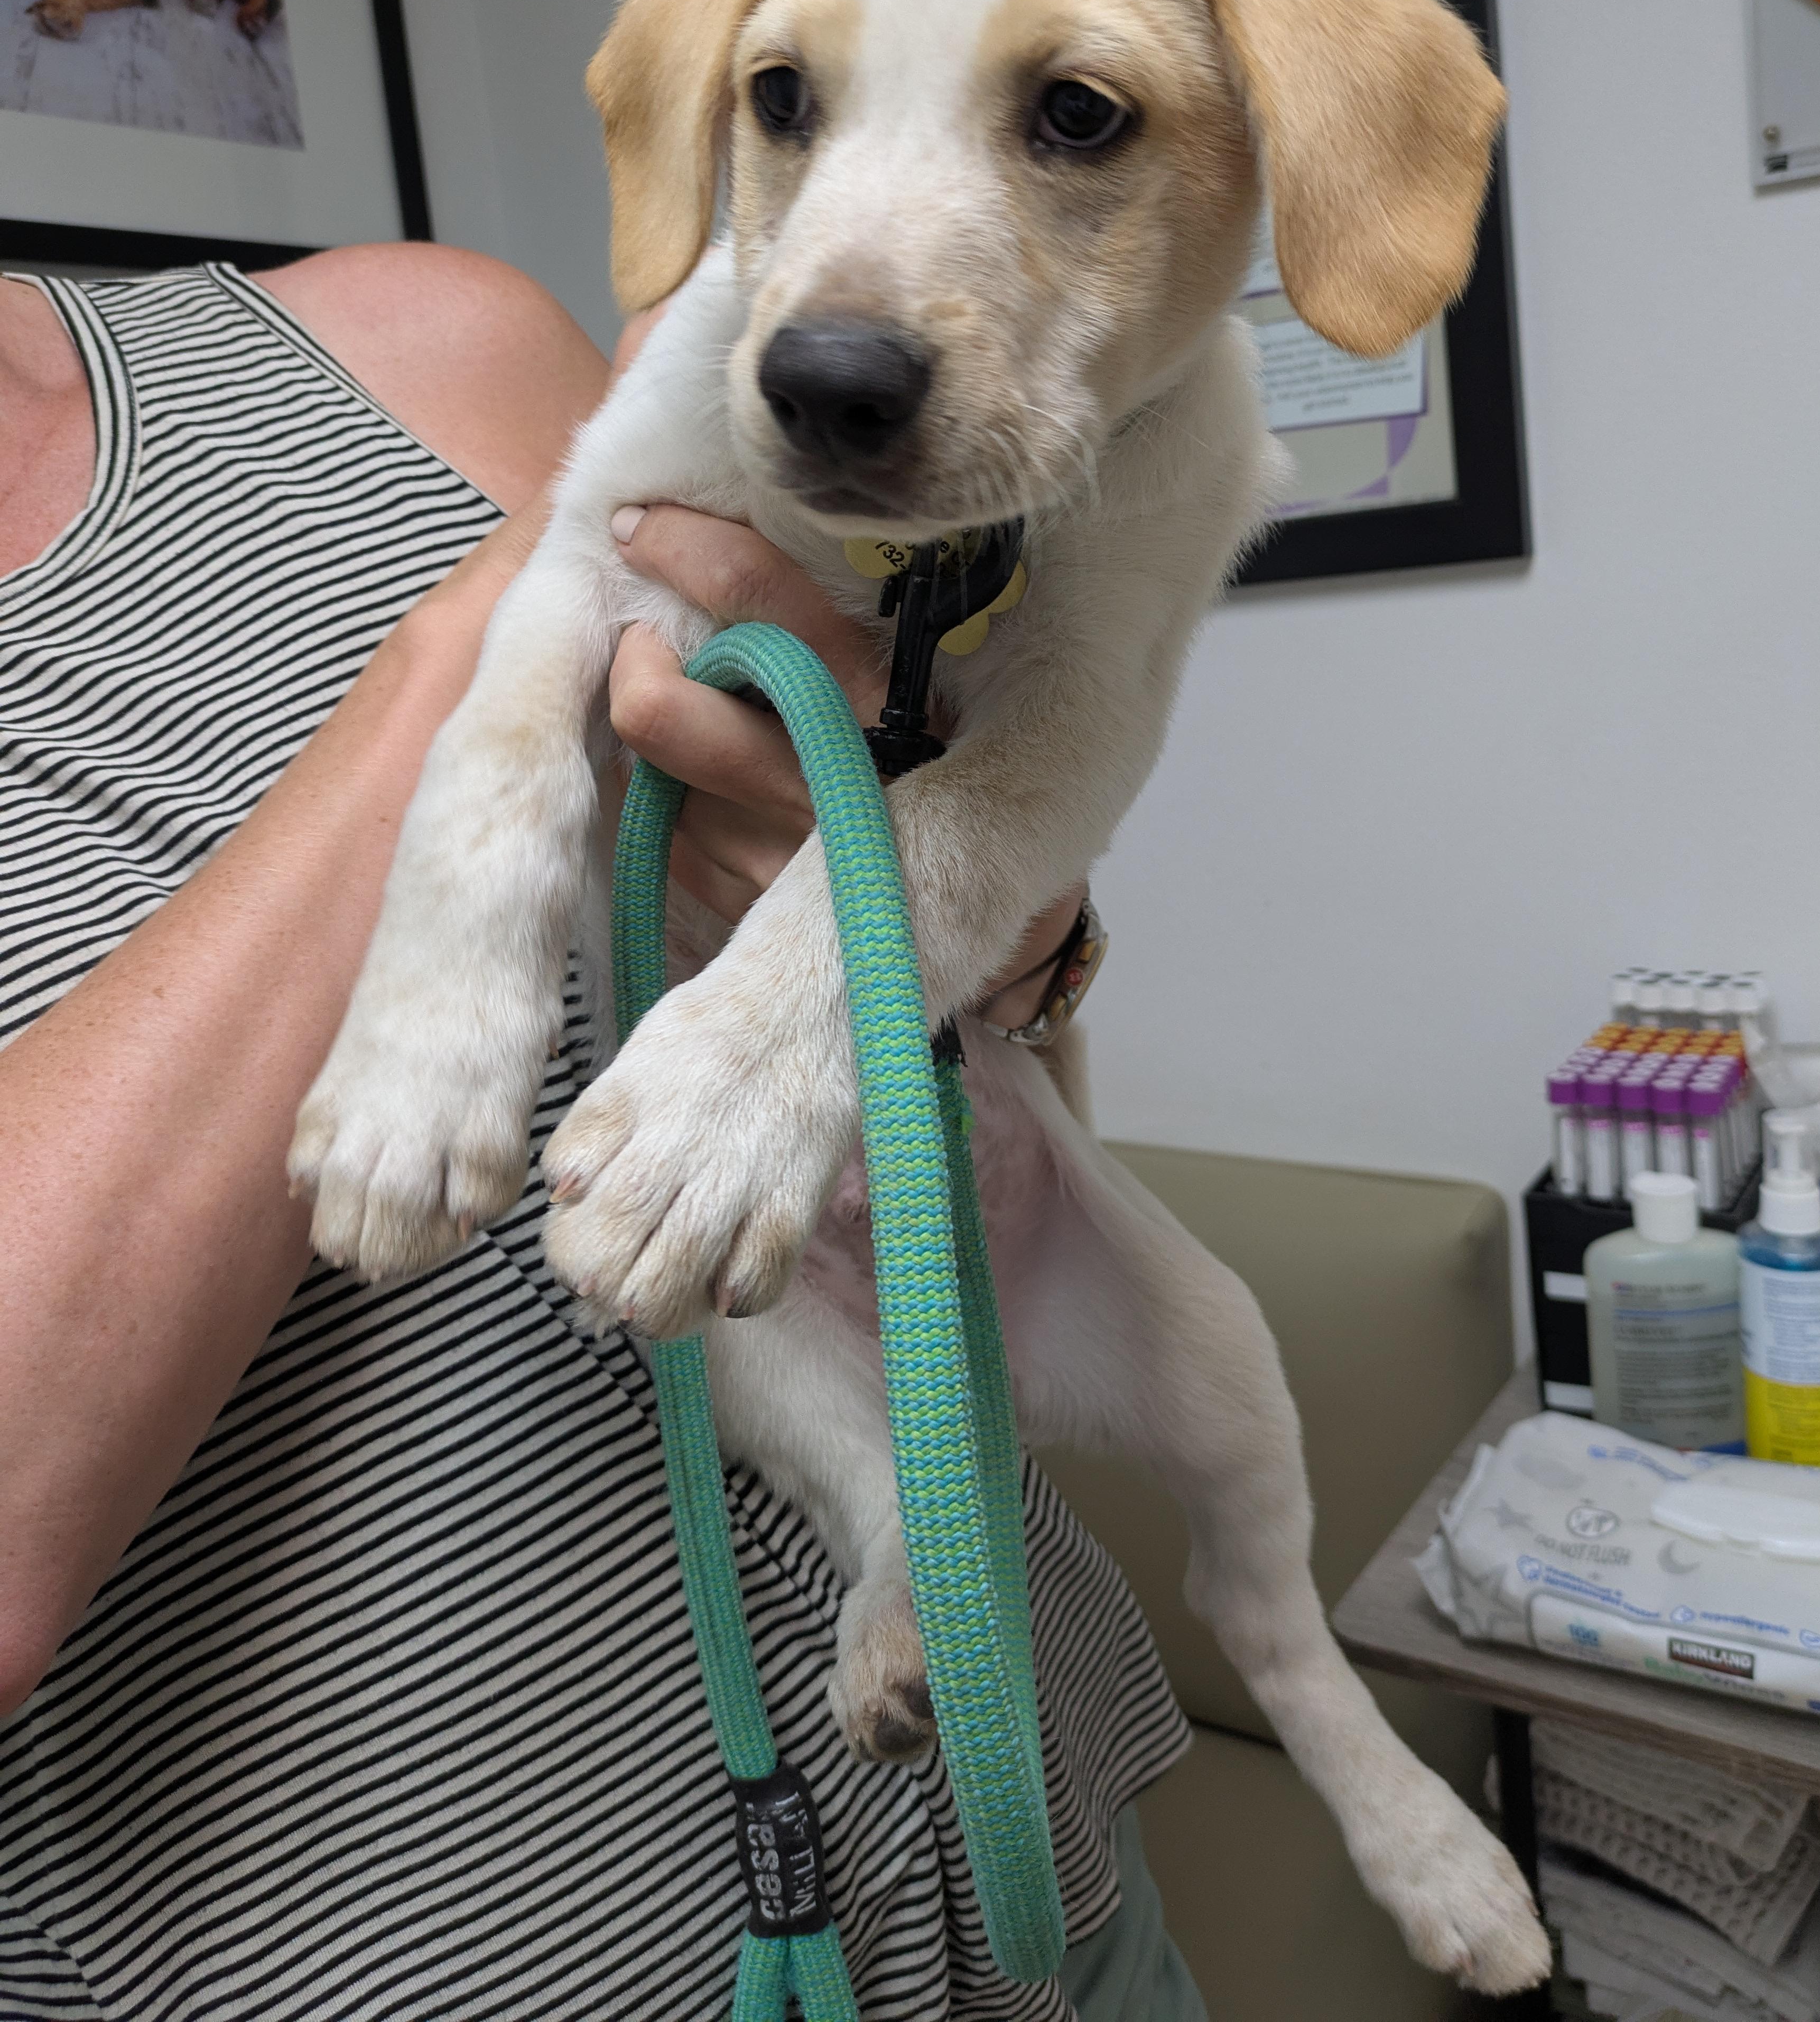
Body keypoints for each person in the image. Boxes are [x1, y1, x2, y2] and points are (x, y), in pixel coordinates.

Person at [0, 244, 1206, 2019]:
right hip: (476, 1953)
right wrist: (494, 637)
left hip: (1029, 1813)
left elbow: (916, 876)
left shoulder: (432, 338)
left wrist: (1020, 941)